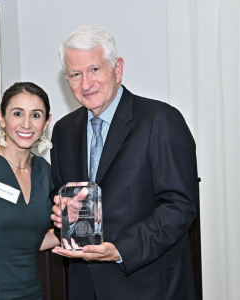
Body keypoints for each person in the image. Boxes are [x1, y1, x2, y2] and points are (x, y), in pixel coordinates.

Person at [50, 25, 198, 299]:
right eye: (75, 74)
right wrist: (60, 210)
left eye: (94, 70)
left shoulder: (160, 120)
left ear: (117, 69)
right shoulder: (63, 130)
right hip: (84, 285)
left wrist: (121, 249)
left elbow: (180, 205)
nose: (86, 84)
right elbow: (59, 190)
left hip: (147, 285)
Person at [0, 82, 59, 300]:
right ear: (1, 118)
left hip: (32, 291)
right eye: (18, 114)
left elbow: (31, 240)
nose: (26, 124)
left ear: (46, 122)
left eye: (36, 115)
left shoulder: (44, 172)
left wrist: (77, 228)